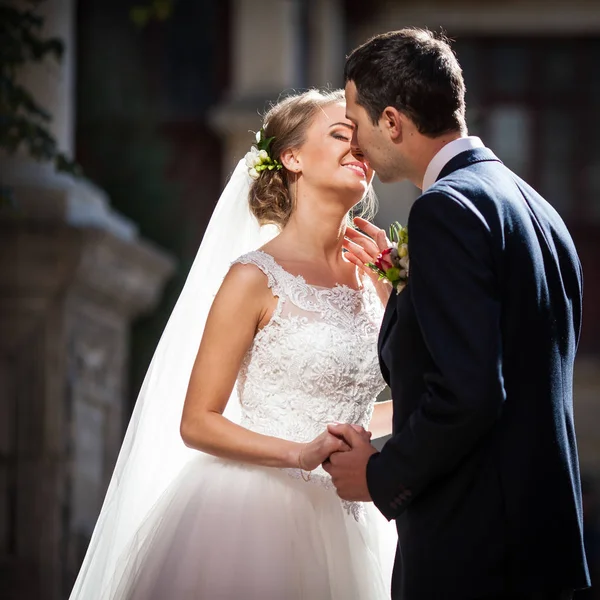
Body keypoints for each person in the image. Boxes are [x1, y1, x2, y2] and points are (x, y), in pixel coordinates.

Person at [68, 88, 397, 600]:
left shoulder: (378, 278)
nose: (361, 152)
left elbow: (360, 408)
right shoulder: (253, 277)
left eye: (364, 142)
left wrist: (399, 289)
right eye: (340, 136)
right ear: (292, 158)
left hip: (353, 511)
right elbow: (198, 421)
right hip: (255, 515)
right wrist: (302, 453)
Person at [326, 28, 590, 600]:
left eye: (357, 121)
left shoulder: (444, 211)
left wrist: (379, 476)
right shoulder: (536, 210)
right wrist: (407, 286)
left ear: (392, 121)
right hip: (546, 551)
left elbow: (470, 393)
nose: (355, 143)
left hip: (476, 556)